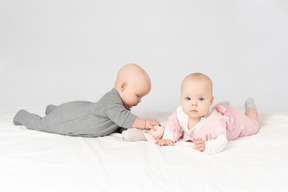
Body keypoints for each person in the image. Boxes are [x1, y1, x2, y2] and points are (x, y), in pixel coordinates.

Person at [13, 64, 160, 137]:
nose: (140, 101)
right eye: (138, 96)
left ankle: (52, 109)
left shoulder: (118, 104)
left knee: (65, 110)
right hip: (76, 119)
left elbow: (119, 123)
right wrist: (145, 123)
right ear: (123, 87)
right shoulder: (112, 103)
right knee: (45, 124)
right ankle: (22, 116)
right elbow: (124, 119)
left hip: (81, 108)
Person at [156, 73, 259, 154]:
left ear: (210, 101)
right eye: (188, 98)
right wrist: (168, 139)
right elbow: (171, 127)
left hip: (234, 120)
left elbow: (221, 141)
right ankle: (222, 104)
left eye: (201, 99)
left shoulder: (217, 121)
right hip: (214, 108)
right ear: (181, 99)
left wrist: (207, 146)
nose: (194, 103)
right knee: (211, 108)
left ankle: (250, 105)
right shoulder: (180, 112)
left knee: (253, 125)